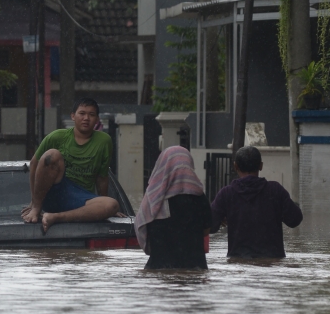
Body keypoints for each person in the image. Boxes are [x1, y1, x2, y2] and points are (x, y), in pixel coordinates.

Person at [21, 98, 119, 232]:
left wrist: (105, 208)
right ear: (73, 116)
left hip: (81, 199)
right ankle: (38, 210)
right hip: (55, 192)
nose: (86, 118)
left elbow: (102, 177)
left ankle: (55, 217)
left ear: (97, 119)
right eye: (82, 113)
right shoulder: (57, 137)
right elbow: (34, 164)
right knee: (52, 155)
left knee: (112, 204)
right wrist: (35, 203)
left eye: (91, 115)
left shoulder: (104, 141)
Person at [210, 145, 303, 258]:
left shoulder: (226, 194)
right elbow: (295, 219)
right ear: (261, 166)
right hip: (273, 266)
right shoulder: (275, 191)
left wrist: (222, 219)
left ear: (235, 166)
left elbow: (209, 225)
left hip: (238, 266)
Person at [135, 145, 212, 270]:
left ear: (162, 165)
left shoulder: (153, 198)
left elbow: (142, 228)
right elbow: (207, 230)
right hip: (194, 269)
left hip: (159, 270)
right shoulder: (199, 197)